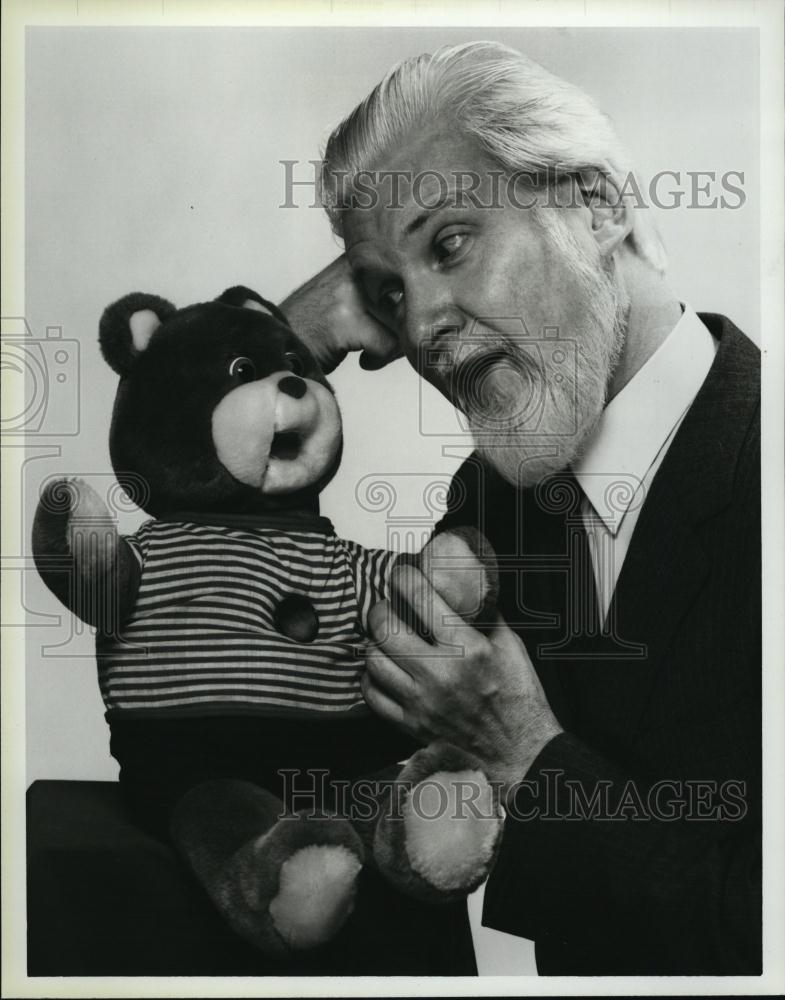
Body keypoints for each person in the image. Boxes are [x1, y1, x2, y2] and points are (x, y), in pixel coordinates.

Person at [279, 42, 761, 975]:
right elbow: (306, 747)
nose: (420, 329)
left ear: (597, 202)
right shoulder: (496, 505)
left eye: (450, 243)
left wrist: (529, 759)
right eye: (388, 292)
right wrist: (269, 342)